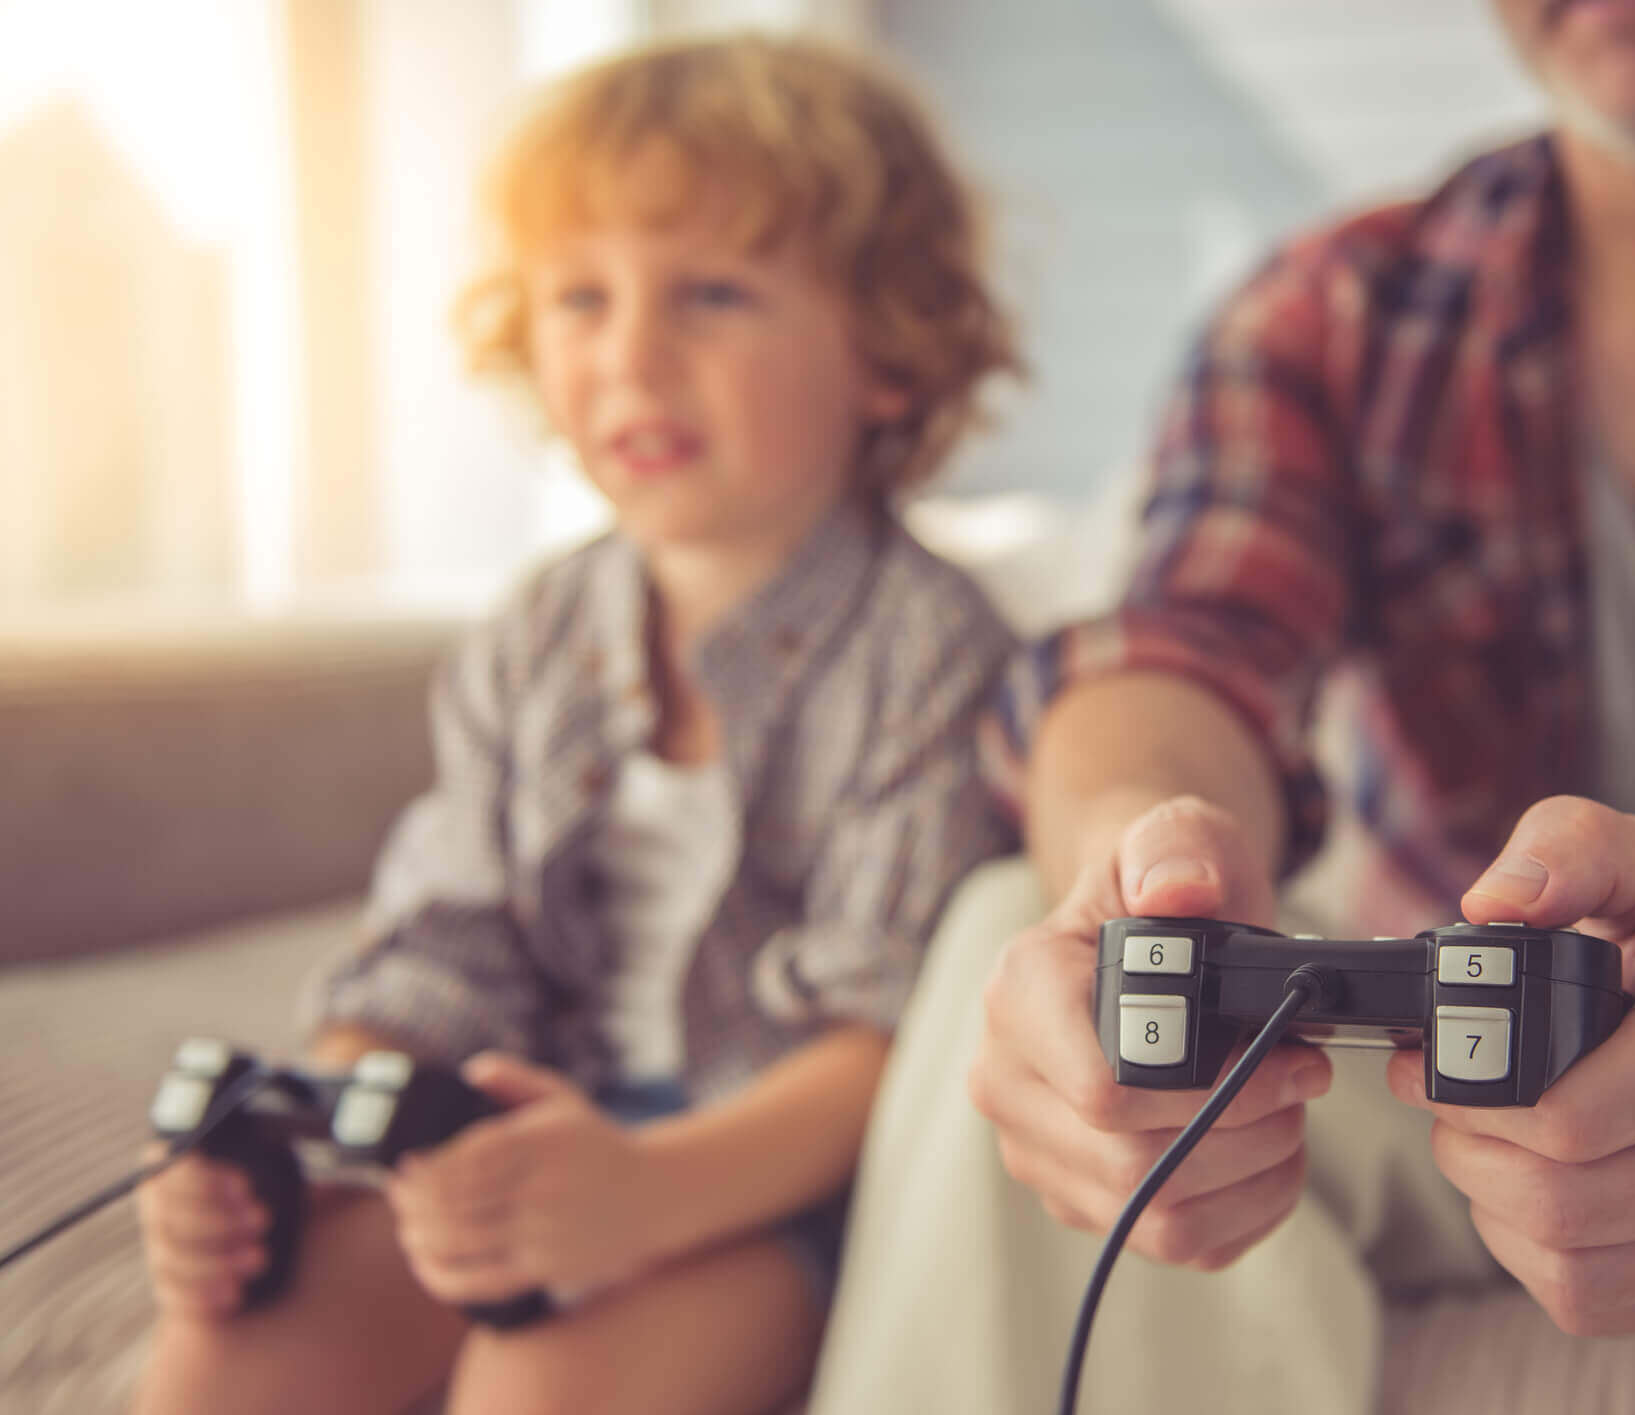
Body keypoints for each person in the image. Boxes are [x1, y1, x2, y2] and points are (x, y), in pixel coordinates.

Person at [804, 2, 1635, 1412]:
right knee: (1035, 935)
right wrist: (1135, 862)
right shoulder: (1338, 310)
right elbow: (1174, 653)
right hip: (1437, 1111)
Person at [130, 34, 1019, 1415]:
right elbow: (440, 954)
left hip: (765, 1191)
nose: (631, 355)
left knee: (547, 1389)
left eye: (711, 296)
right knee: (232, 1355)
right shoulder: (536, 631)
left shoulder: (935, 652)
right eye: (581, 300)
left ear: (889, 354)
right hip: (516, 1157)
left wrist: (646, 1194)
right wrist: (304, 1133)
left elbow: (887, 1034)